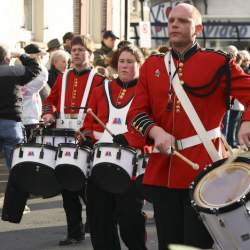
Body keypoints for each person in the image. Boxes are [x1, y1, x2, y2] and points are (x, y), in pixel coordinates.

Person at [126, 3, 250, 250]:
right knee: (168, 244)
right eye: (171, 20)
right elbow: (135, 114)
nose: (174, 24)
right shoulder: (152, 66)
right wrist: (156, 131)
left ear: (198, 28)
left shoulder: (218, 62)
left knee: (197, 245)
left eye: (182, 21)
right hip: (164, 171)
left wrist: (247, 121)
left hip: (206, 171)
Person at [80, 44, 147, 250]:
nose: (125, 66)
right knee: (100, 220)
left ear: (139, 64)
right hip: (100, 165)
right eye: (121, 62)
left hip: (132, 168)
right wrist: (87, 137)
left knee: (129, 221)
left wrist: (130, 138)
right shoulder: (101, 90)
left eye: (130, 62)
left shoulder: (146, 92)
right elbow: (87, 125)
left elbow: (152, 125)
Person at [42, 35, 104, 246]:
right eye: (73, 49)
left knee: (89, 187)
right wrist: (49, 114)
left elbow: (102, 111)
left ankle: (99, 226)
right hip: (63, 138)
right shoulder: (63, 77)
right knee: (68, 186)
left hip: (87, 139)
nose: (76, 53)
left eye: (80, 49)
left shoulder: (99, 79)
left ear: (90, 53)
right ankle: (74, 232)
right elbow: (50, 100)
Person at [0, 44, 41, 170]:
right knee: (16, 167)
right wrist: (21, 55)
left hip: (10, 122)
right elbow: (35, 68)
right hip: (10, 123)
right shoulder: (12, 71)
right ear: (6, 59)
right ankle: (16, 189)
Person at [21, 43, 49, 141]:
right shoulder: (20, 69)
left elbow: (27, 89)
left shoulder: (40, 71)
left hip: (30, 116)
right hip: (20, 117)